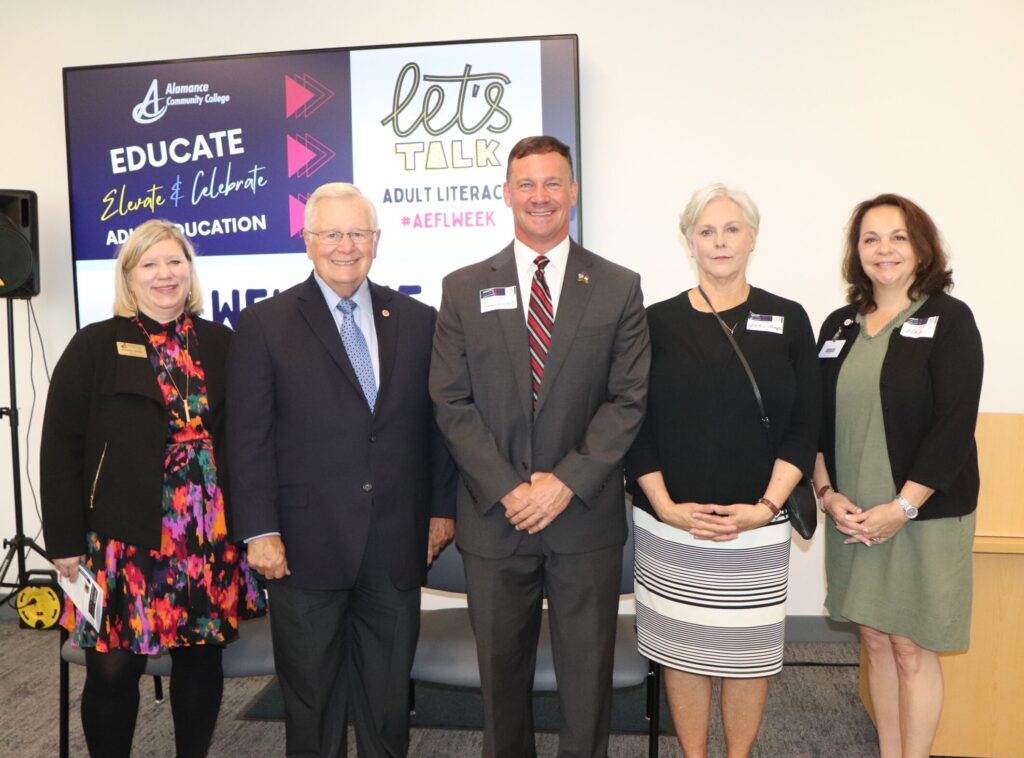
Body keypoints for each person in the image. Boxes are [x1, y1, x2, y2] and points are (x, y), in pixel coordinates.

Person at [430, 135, 650, 758]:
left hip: (582, 517)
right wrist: (509, 488)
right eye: (526, 184)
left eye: (553, 183)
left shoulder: (617, 286)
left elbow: (628, 400)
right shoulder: (463, 287)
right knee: (500, 683)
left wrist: (563, 482)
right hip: (495, 520)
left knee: (587, 683)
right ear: (506, 194)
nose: (540, 196)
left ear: (574, 192)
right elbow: (450, 402)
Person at [227, 182, 456, 757]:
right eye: (331, 234)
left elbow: (438, 428)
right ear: (308, 242)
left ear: (376, 241)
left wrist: (441, 510)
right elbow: (247, 438)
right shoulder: (265, 324)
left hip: (396, 541)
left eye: (357, 233)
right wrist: (259, 531)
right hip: (302, 547)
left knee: (386, 705)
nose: (345, 246)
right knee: (313, 703)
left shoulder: (418, 319)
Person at [40, 219, 265, 758]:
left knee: (199, 659)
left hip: (207, 537)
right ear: (129, 277)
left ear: (190, 272)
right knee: (114, 670)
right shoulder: (95, 345)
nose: (165, 274)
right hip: (123, 537)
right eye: (151, 264)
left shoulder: (221, 342)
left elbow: (249, 437)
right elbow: (59, 448)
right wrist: (65, 541)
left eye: (175, 261)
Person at [625, 183, 820, 757]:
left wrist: (765, 508)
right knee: (682, 651)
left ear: (753, 238)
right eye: (706, 231)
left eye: (731, 229)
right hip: (671, 525)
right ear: (689, 242)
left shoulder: (787, 319)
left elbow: (805, 426)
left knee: (746, 656)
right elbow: (634, 424)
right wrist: (663, 506)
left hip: (757, 527)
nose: (719, 241)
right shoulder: (654, 322)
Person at [813, 194, 983, 758]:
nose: (882, 249)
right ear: (856, 251)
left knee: (912, 646)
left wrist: (901, 509)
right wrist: (827, 495)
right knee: (874, 638)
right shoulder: (839, 324)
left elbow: (953, 427)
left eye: (897, 237)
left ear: (921, 248)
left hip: (921, 515)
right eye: (870, 238)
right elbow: (814, 420)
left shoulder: (948, 319)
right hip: (855, 514)